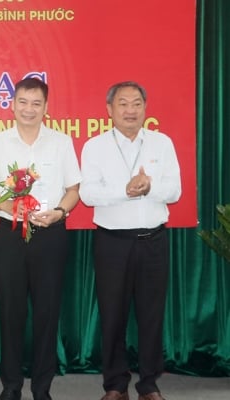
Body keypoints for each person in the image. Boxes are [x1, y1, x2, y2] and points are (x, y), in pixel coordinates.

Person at [0, 77, 81, 400]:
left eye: (36, 103)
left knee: (47, 313)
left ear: (46, 108)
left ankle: (42, 388)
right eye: (23, 102)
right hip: (10, 236)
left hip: (50, 235)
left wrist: (60, 213)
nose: (29, 109)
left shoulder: (61, 142)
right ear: (13, 105)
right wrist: (7, 205)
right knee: (10, 311)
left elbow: (73, 190)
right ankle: (11, 386)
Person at [79, 81, 181, 400]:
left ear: (145, 108)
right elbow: (87, 194)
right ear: (109, 110)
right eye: (122, 104)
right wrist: (124, 191)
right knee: (113, 314)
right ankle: (115, 384)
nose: (130, 110)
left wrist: (149, 188)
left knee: (151, 314)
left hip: (153, 240)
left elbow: (175, 191)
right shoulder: (94, 147)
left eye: (136, 103)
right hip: (113, 243)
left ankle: (148, 384)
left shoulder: (162, 143)